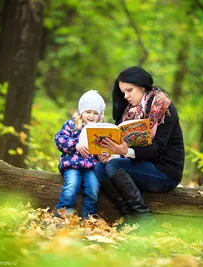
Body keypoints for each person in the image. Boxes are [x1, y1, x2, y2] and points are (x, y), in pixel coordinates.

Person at [94, 66, 185, 225]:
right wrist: (112, 152)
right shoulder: (129, 112)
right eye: (123, 92)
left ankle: (146, 219)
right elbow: (129, 149)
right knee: (99, 168)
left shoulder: (163, 107)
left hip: (165, 172)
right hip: (143, 166)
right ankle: (128, 217)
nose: (126, 96)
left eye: (129, 90)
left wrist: (126, 151)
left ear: (142, 86)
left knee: (113, 166)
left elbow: (157, 149)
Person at [54, 90, 106, 219]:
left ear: (100, 115)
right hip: (72, 165)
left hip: (91, 167)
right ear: (81, 111)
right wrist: (75, 144)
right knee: (72, 185)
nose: (91, 116)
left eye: (95, 113)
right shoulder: (72, 125)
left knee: (93, 189)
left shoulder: (100, 129)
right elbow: (59, 139)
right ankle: (62, 215)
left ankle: (88, 218)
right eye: (88, 112)